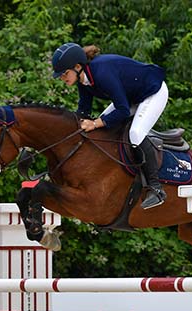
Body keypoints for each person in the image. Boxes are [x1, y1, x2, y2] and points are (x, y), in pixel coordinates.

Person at [51, 42, 168, 209]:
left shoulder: (102, 72)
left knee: (135, 133)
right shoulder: (84, 80)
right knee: (101, 125)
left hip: (152, 92)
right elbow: (83, 111)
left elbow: (121, 110)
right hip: (131, 98)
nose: (63, 78)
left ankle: (156, 188)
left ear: (77, 67)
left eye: (64, 74)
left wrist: (95, 123)